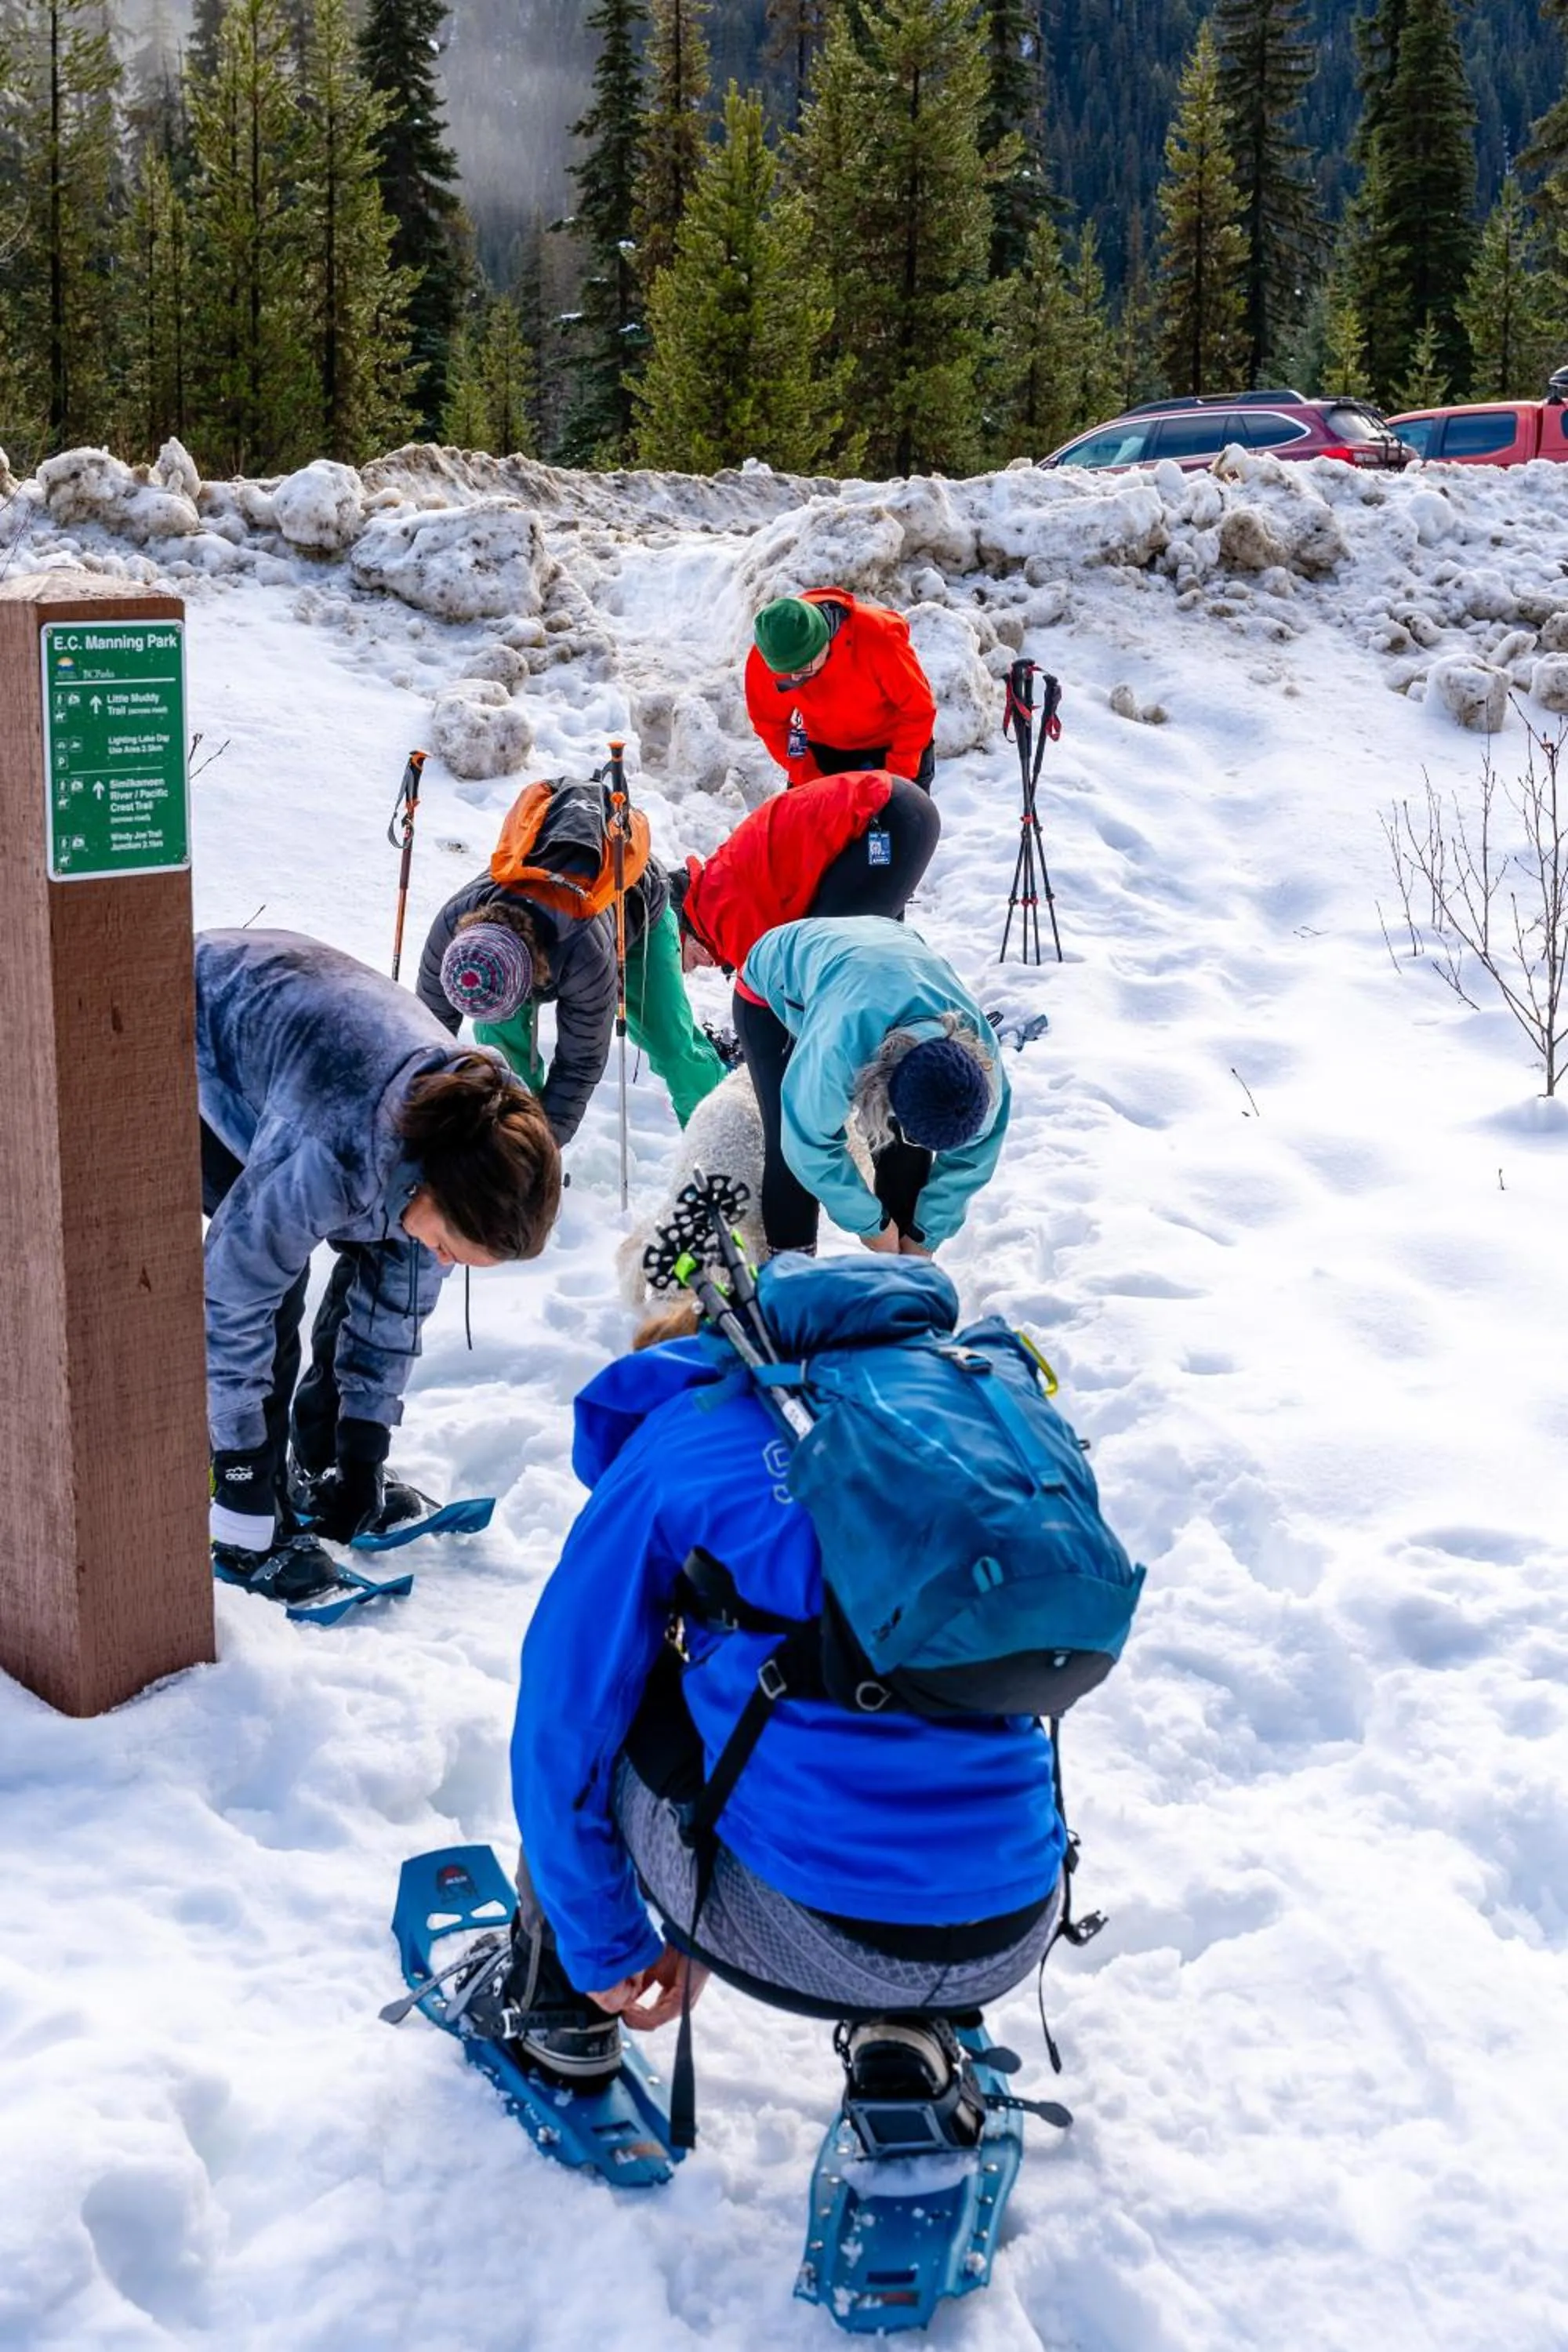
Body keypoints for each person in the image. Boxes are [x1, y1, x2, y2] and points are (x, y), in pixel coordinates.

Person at [472, 1275, 1066, 2092]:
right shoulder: (964, 1421)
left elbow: (562, 1716)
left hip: (807, 1924)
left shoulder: (688, 1431)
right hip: (1011, 1919)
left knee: (610, 1680)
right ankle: (906, 2035)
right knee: (919, 1692)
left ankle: (560, 2011)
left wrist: (607, 1943)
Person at [198, 929, 561, 1606]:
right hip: (199, 1036)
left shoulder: (469, 1143)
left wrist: (361, 1447)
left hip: (325, 1049)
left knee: (394, 1252)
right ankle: (249, 1521)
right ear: (434, 1190)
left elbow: (399, 1296)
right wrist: (241, 1470)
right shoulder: (330, 1147)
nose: (445, 1260)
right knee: (273, 1292)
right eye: (452, 1246)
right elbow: (231, 1296)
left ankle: (325, 1461)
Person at [416, 779, 724, 1143]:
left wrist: (545, 1146)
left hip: (637, 911)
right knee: (502, 1044)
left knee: (670, 1043)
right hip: (525, 948)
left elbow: (579, 1065)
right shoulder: (450, 931)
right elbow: (425, 1040)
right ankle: (510, 1139)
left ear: (531, 976)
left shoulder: (585, 955)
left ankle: (719, 1137)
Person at [733, 914, 1010, 1257]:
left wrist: (925, 1236)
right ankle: (791, 1270)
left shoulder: (982, 1058)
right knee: (788, 1148)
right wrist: (869, 1225)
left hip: (881, 951)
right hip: (776, 981)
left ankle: (899, 1270)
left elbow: (977, 1152)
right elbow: (808, 1146)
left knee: (906, 1150)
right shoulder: (840, 1048)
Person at [670, 768, 941, 978]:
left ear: (680, 932)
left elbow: (774, 983)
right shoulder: (716, 890)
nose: (691, 970)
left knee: (833, 957)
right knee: (853, 954)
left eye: (684, 963)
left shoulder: (719, 909)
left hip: (884, 816)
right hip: (894, 804)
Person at [745, 590, 938, 793]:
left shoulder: (879, 638)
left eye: (803, 670)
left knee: (899, 812)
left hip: (894, 746)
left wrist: (894, 779)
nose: (793, 678)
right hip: (824, 751)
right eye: (785, 673)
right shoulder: (771, 653)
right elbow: (770, 724)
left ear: (823, 642)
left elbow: (918, 710)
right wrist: (808, 776)